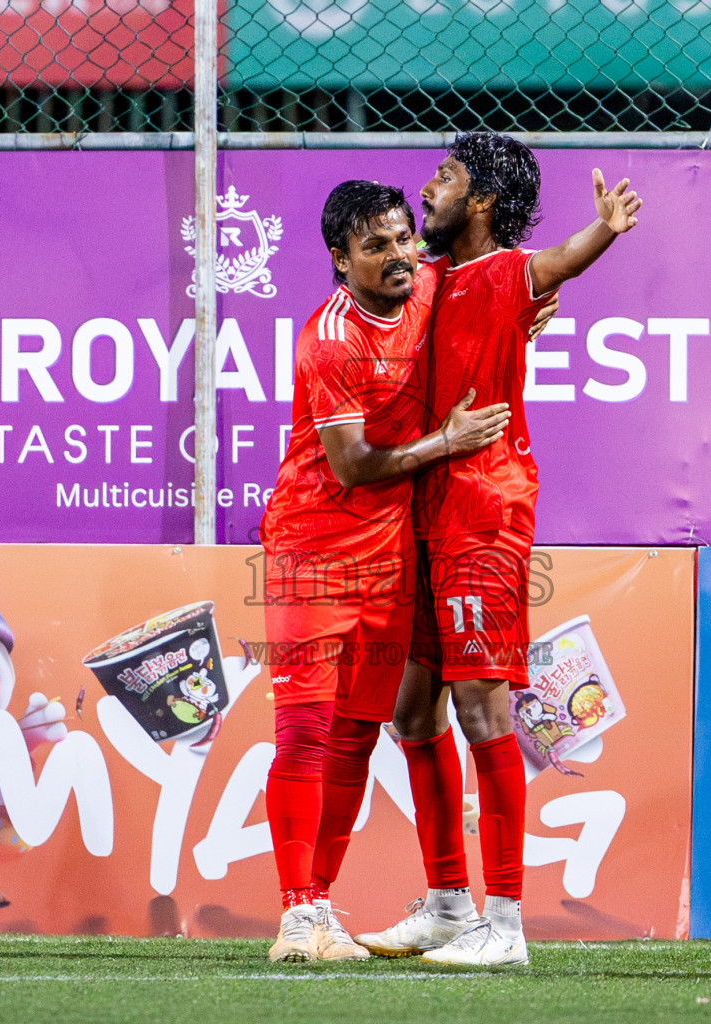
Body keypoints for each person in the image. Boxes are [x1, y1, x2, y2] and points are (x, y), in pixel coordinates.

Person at [355, 132, 640, 967]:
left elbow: (556, 265)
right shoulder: (429, 279)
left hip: (484, 511)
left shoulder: (506, 269)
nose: (428, 188)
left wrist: (604, 231)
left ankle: (506, 925)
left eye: (444, 176)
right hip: (423, 514)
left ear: (479, 201)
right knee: (413, 713)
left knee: (483, 712)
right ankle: (448, 905)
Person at [257, 179, 511, 962]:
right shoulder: (330, 338)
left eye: (404, 237)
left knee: (354, 737)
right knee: (303, 733)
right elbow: (356, 464)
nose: (400, 255)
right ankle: (298, 916)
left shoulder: (427, 285)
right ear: (340, 260)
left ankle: (320, 912)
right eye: (377, 246)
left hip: (390, 558)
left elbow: (498, 296)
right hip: (311, 550)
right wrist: (448, 442)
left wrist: (533, 311)